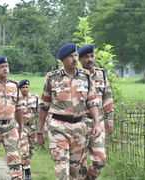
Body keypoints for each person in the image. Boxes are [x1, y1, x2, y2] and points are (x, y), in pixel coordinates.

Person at [37, 43, 101, 180]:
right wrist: (39, 130)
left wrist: (97, 123)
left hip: (79, 128)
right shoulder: (52, 77)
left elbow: (92, 101)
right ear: (63, 60)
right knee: (61, 170)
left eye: (75, 55)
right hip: (58, 127)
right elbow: (44, 105)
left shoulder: (86, 76)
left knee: (74, 170)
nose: (74, 59)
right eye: (70, 56)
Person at [78, 44, 114, 180]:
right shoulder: (75, 76)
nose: (90, 59)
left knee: (100, 160)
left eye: (92, 56)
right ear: (80, 59)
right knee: (79, 164)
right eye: (86, 57)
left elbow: (107, 97)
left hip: (97, 123)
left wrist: (110, 118)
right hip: (79, 122)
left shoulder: (101, 74)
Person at [18, 79, 39, 180]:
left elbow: (39, 113)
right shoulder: (17, 100)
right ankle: (27, 172)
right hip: (21, 128)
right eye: (23, 87)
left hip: (32, 128)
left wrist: (41, 128)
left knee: (32, 149)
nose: (25, 89)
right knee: (24, 150)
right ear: (20, 89)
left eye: (26, 87)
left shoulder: (35, 98)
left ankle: (23, 164)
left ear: (29, 87)